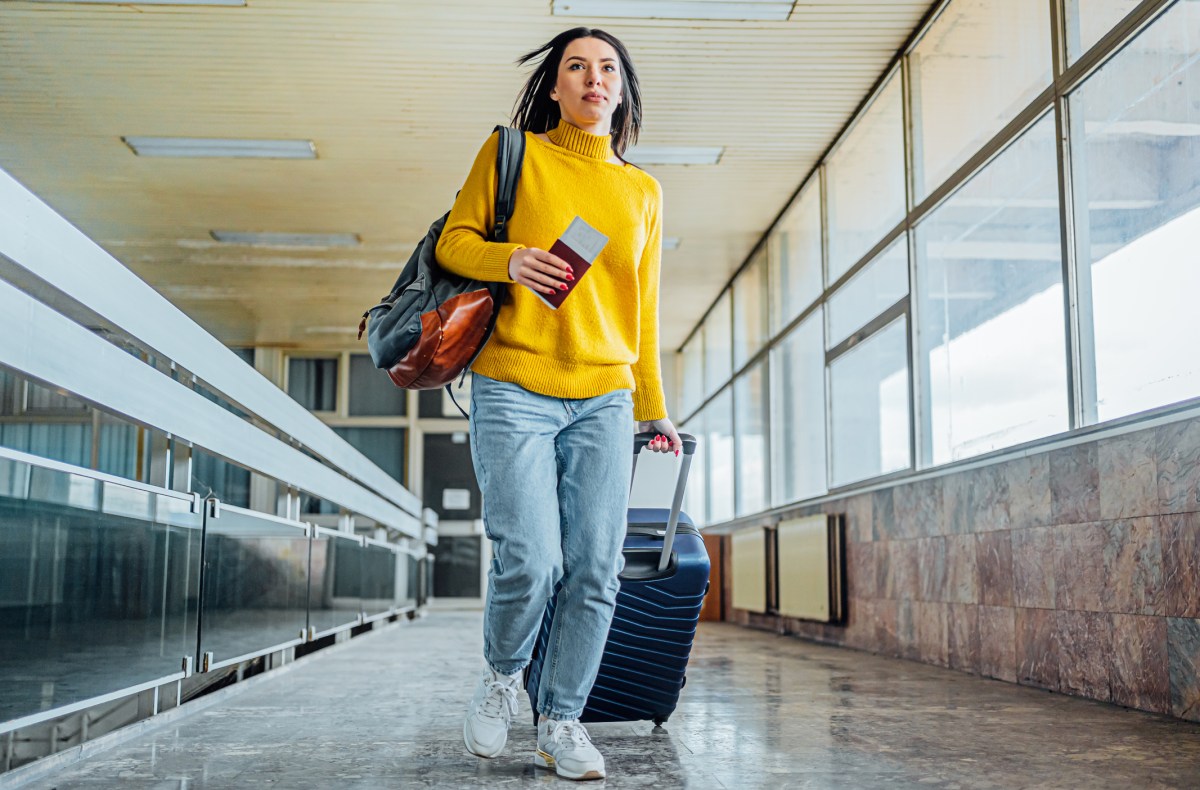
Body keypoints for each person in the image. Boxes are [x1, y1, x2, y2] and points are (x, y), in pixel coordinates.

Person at [435, 26, 681, 782]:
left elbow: (642, 311)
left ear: (622, 89)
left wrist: (655, 406)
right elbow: (453, 243)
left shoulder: (642, 191)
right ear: (555, 85)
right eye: (577, 66)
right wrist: (509, 258)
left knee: (595, 569)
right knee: (533, 558)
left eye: (607, 68)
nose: (593, 78)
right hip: (513, 381)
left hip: (604, 395)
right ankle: (504, 678)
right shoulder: (514, 154)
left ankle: (562, 720)